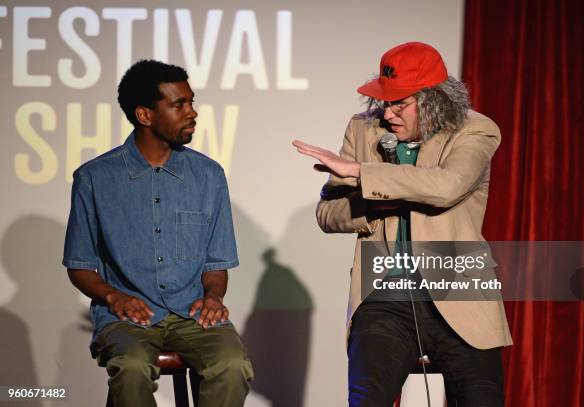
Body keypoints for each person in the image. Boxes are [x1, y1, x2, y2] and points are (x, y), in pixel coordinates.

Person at [293, 42, 513, 406]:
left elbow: (448, 186)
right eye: (385, 102)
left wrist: (362, 173)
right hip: (384, 295)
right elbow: (327, 213)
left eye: (400, 103)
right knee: (367, 399)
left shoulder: (475, 130)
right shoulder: (363, 130)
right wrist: (375, 203)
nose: (389, 113)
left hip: (459, 289)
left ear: (434, 100)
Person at [63, 59, 253, 407]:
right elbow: (79, 265)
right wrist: (114, 297)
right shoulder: (94, 179)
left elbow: (216, 263)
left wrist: (213, 297)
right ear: (145, 115)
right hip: (126, 317)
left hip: (191, 313)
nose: (192, 112)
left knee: (232, 363)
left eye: (191, 102)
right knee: (132, 366)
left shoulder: (208, 176)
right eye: (179, 104)